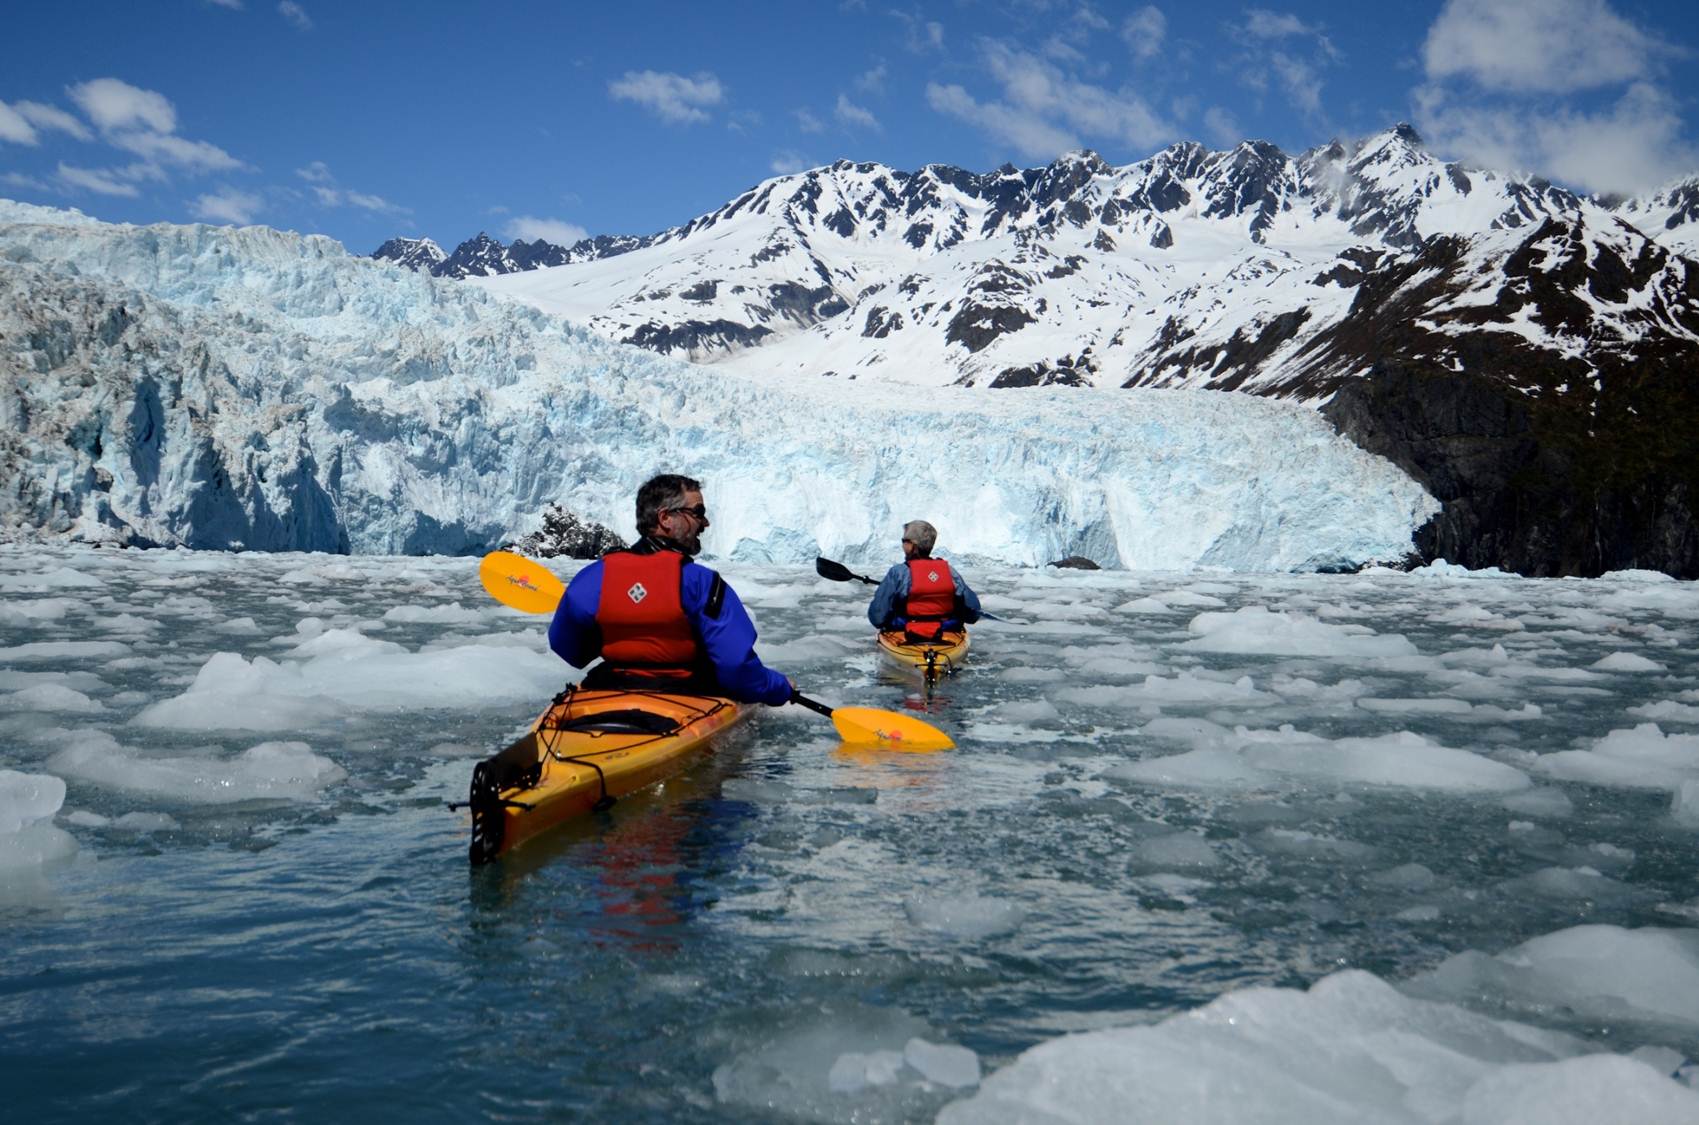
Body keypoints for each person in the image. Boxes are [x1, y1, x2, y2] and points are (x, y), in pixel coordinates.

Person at [549, 474, 793, 705]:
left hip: (607, 693)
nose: (705, 523)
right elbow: (737, 669)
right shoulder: (701, 583)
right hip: (687, 696)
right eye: (698, 512)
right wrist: (780, 687)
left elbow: (568, 649)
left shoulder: (592, 578)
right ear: (665, 518)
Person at [866, 520, 982, 639]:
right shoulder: (950, 571)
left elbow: (878, 617)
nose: (902, 545)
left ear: (912, 545)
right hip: (945, 629)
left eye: (904, 541)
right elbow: (973, 613)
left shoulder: (898, 573)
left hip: (905, 630)